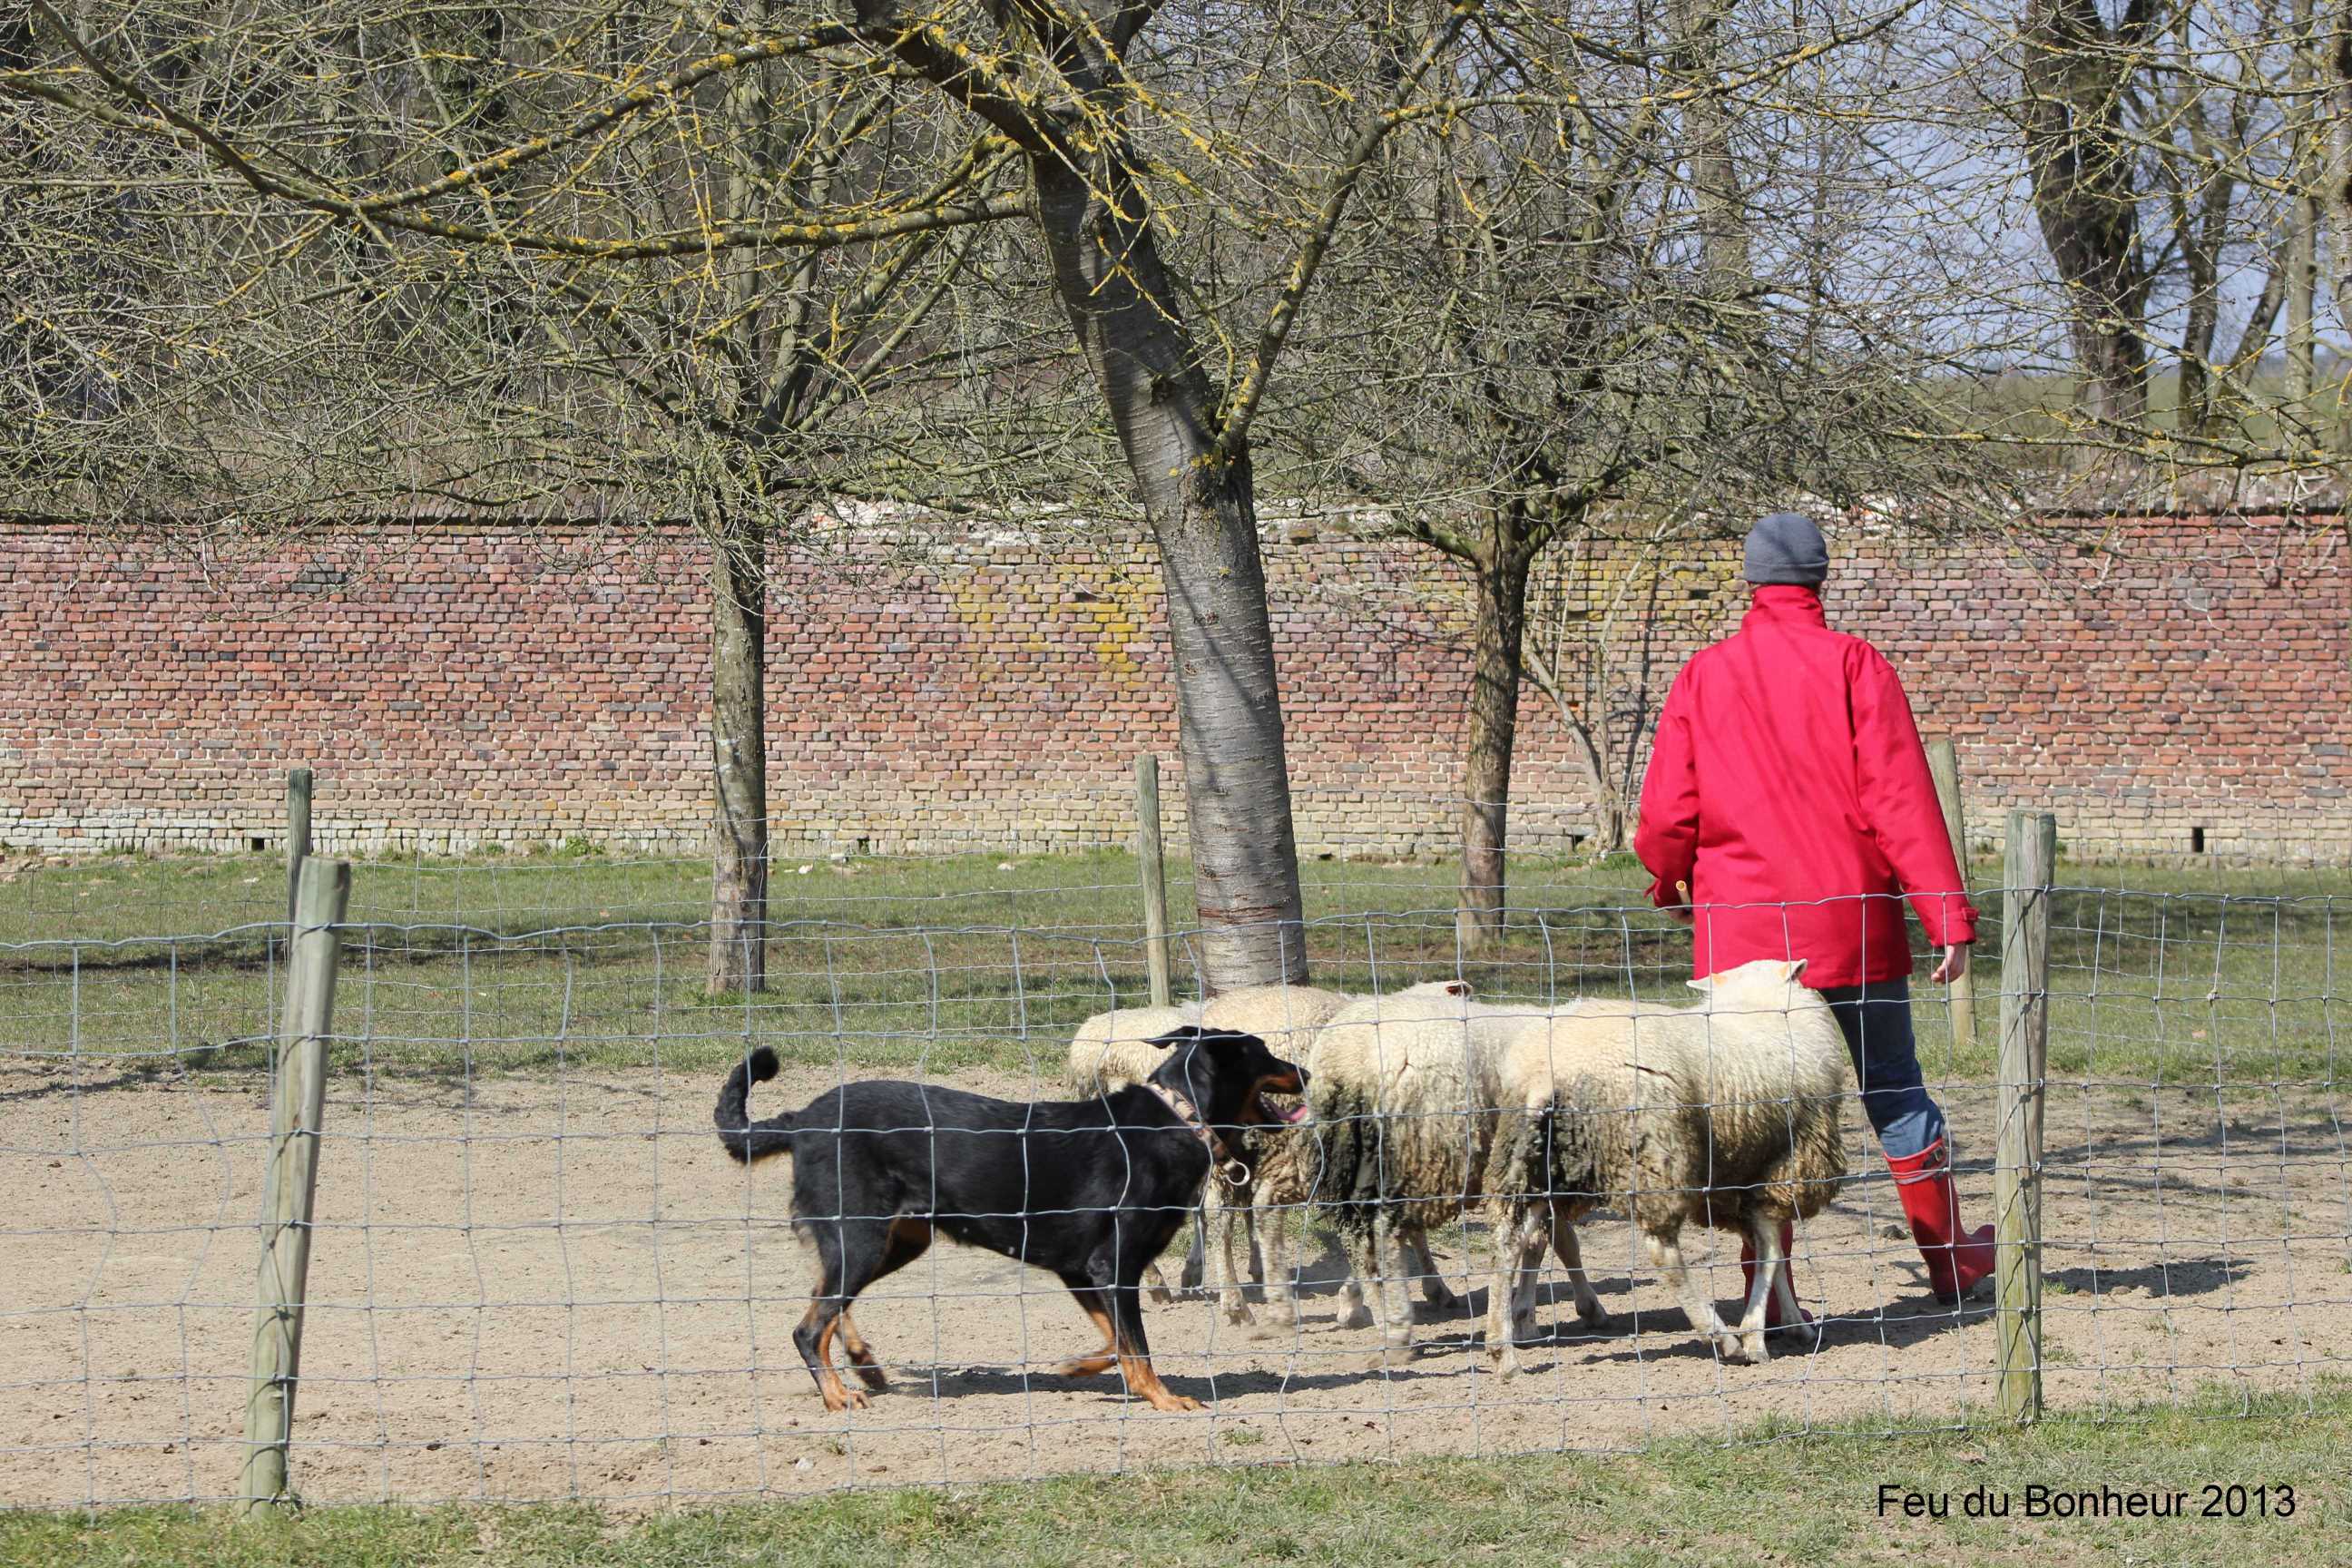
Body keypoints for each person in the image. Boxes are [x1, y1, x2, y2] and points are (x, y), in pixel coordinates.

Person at [1633, 510, 1994, 1322]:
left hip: (1743, 942)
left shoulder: (1704, 674)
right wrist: (1947, 918)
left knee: (1759, 1114)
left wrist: (1668, 880)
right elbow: (1902, 800)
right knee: (1896, 1092)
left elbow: (1666, 813)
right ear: (1820, 579)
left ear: (1751, 581)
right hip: (1854, 927)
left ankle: (1773, 1288)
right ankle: (1949, 1265)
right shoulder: (1856, 665)